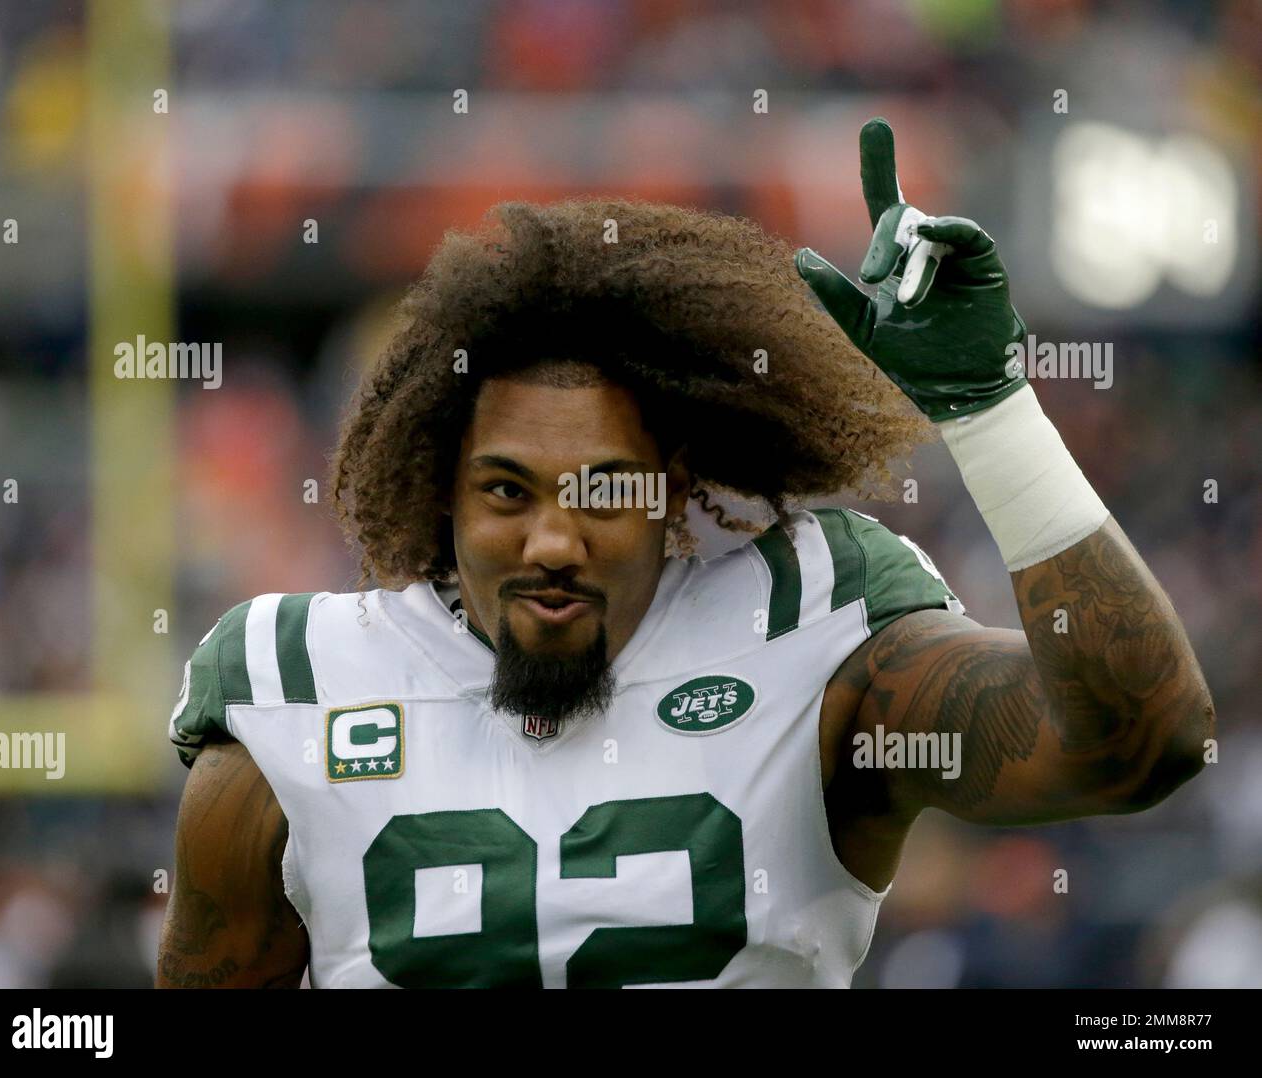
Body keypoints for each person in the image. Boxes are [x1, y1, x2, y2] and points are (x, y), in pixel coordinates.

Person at [157, 118, 1214, 988]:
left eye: (604, 489)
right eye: (505, 492)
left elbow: (1138, 742)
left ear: (676, 488)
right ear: (438, 492)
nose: (554, 540)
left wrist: (988, 412)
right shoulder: (294, 687)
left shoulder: (813, 625)